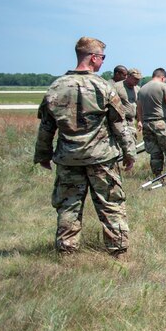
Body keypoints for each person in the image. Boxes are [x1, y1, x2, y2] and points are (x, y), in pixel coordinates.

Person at [33, 37, 135, 257]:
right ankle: (118, 251)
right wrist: (129, 152)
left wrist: (43, 154)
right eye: (102, 58)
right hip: (101, 159)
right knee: (111, 205)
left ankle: (67, 251)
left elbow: (46, 127)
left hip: (69, 158)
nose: (103, 62)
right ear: (94, 57)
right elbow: (119, 123)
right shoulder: (103, 87)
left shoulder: (57, 86)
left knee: (69, 205)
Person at [136, 68, 166, 179]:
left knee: (154, 152)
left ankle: (158, 176)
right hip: (161, 123)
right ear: (163, 77)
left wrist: (140, 121)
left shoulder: (142, 89)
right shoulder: (163, 86)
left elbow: (139, 107)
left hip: (147, 124)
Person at [113, 68, 142, 149]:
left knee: (132, 145)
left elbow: (138, 106)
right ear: (128, 76)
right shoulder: (117, 87)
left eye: (139, 79)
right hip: (120, 121)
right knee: (123, 146)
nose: (137, 81)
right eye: (135, 79)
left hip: (132, 121)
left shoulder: (137, 89)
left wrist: (139, 120)